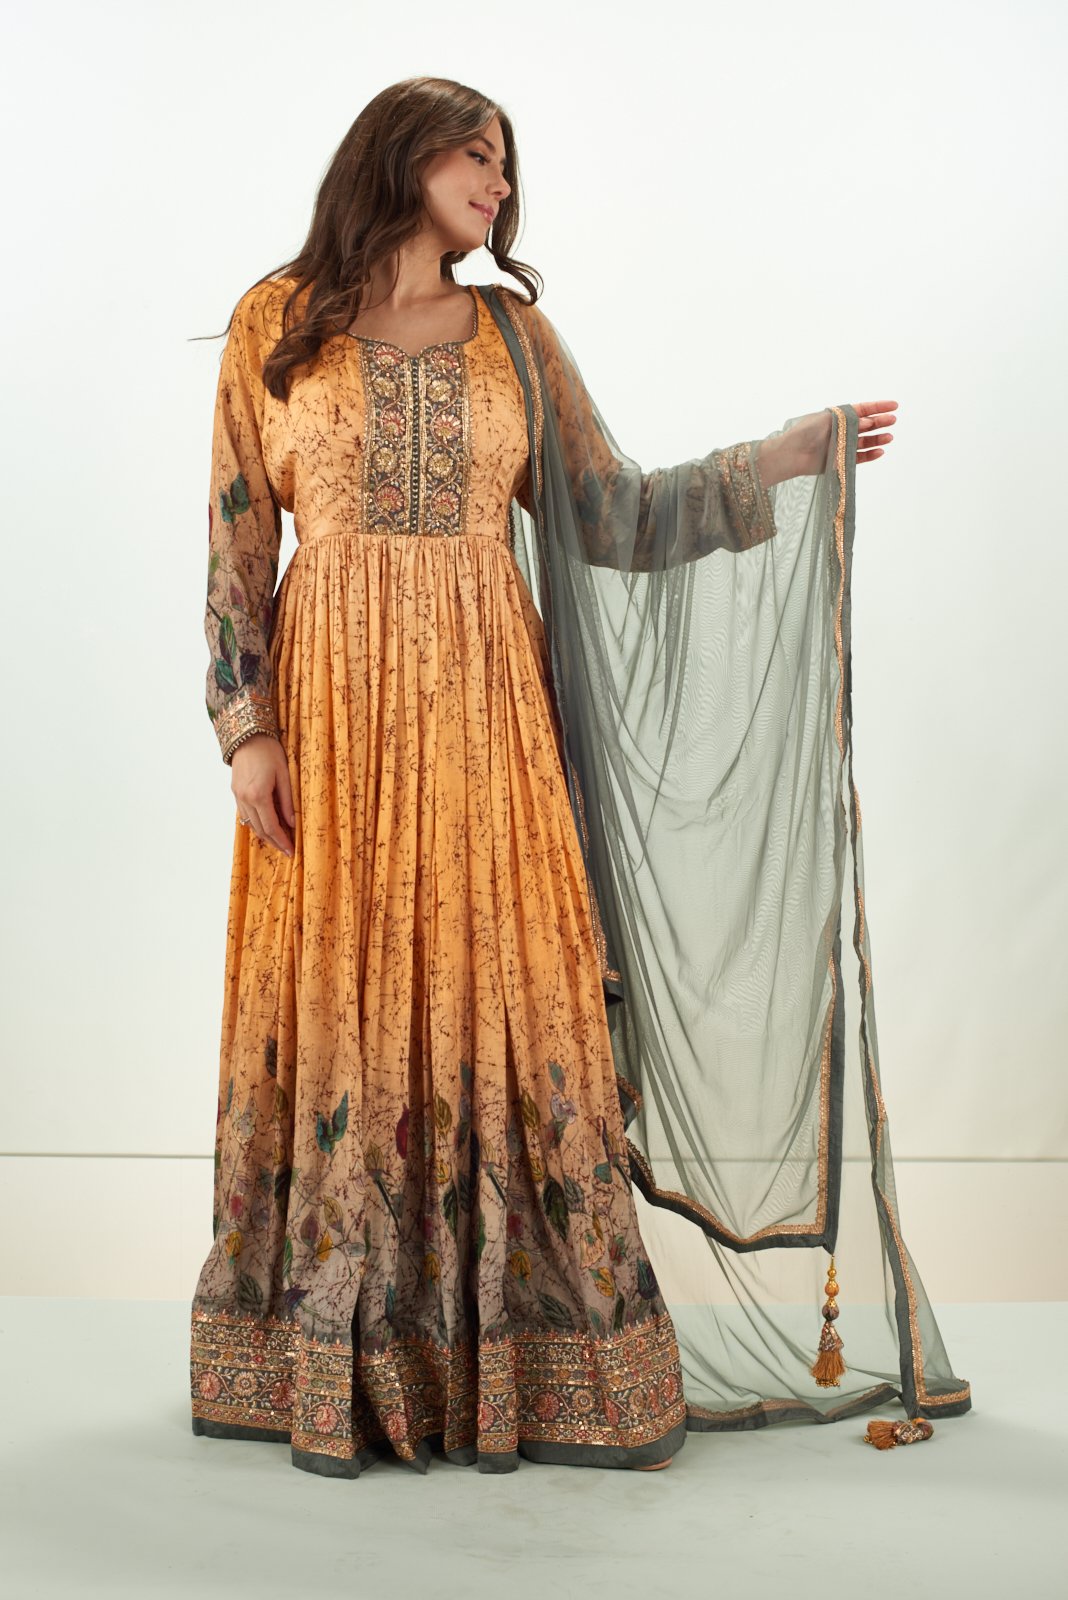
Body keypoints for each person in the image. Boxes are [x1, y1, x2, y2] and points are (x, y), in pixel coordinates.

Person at [189, 75, 939, 1482]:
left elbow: (611, 513)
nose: (499, 183)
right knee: (348, 1007)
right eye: (476, 155)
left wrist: (778, 460)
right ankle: (333, 1349)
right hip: (333, 735)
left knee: (511, 991)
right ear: (399, 158)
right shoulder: (273, 323)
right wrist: (249, 730)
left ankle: (528, 1357)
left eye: (507, 165)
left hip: (493, 729)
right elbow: (235, 541)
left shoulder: (515, 342)